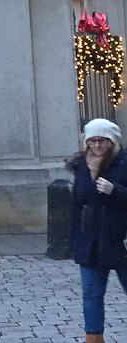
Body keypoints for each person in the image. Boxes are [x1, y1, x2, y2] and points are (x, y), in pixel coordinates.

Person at [68, 118, 127, 343]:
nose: (97, 146)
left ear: (112, 141)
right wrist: (74, 240)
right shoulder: (82, 166)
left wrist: (116, 191)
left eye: (102, 141)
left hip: (121, 240)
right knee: (91, 295)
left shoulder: (124, 162)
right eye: (92, 141)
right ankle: (93, 338)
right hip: (90, 241)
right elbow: (75, 204)